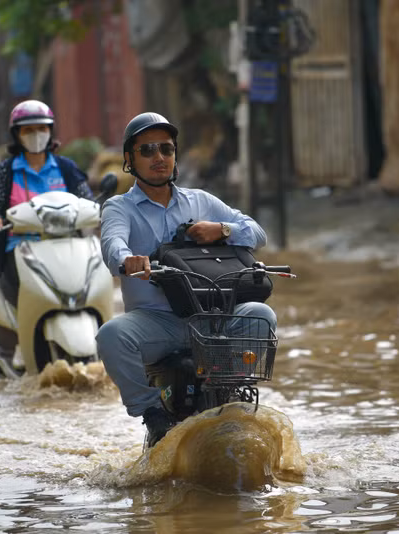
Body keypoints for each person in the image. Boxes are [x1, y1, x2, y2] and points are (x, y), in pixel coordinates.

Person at [95, 112, 275, 447]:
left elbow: (258, 234)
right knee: (111, 335)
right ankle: (153, 414)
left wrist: (222, 230)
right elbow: (112, 245)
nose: (159, 157)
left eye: (166, 149)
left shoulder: (201, 201)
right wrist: (128, 259)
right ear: (129, 159)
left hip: (210, 320)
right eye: (147, 150)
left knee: (261, 316)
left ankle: (232, 394)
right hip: (156, 323)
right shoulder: (119, 208)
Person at [0, 100, 93, 307]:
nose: (36, 134)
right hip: (20, 248)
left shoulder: (66, 167)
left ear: (50, 131)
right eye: (28, 130)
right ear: (16, 134)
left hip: (68, 245)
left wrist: (96, 211)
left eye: (41, 128)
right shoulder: (6, 170)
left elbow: (87, 200)